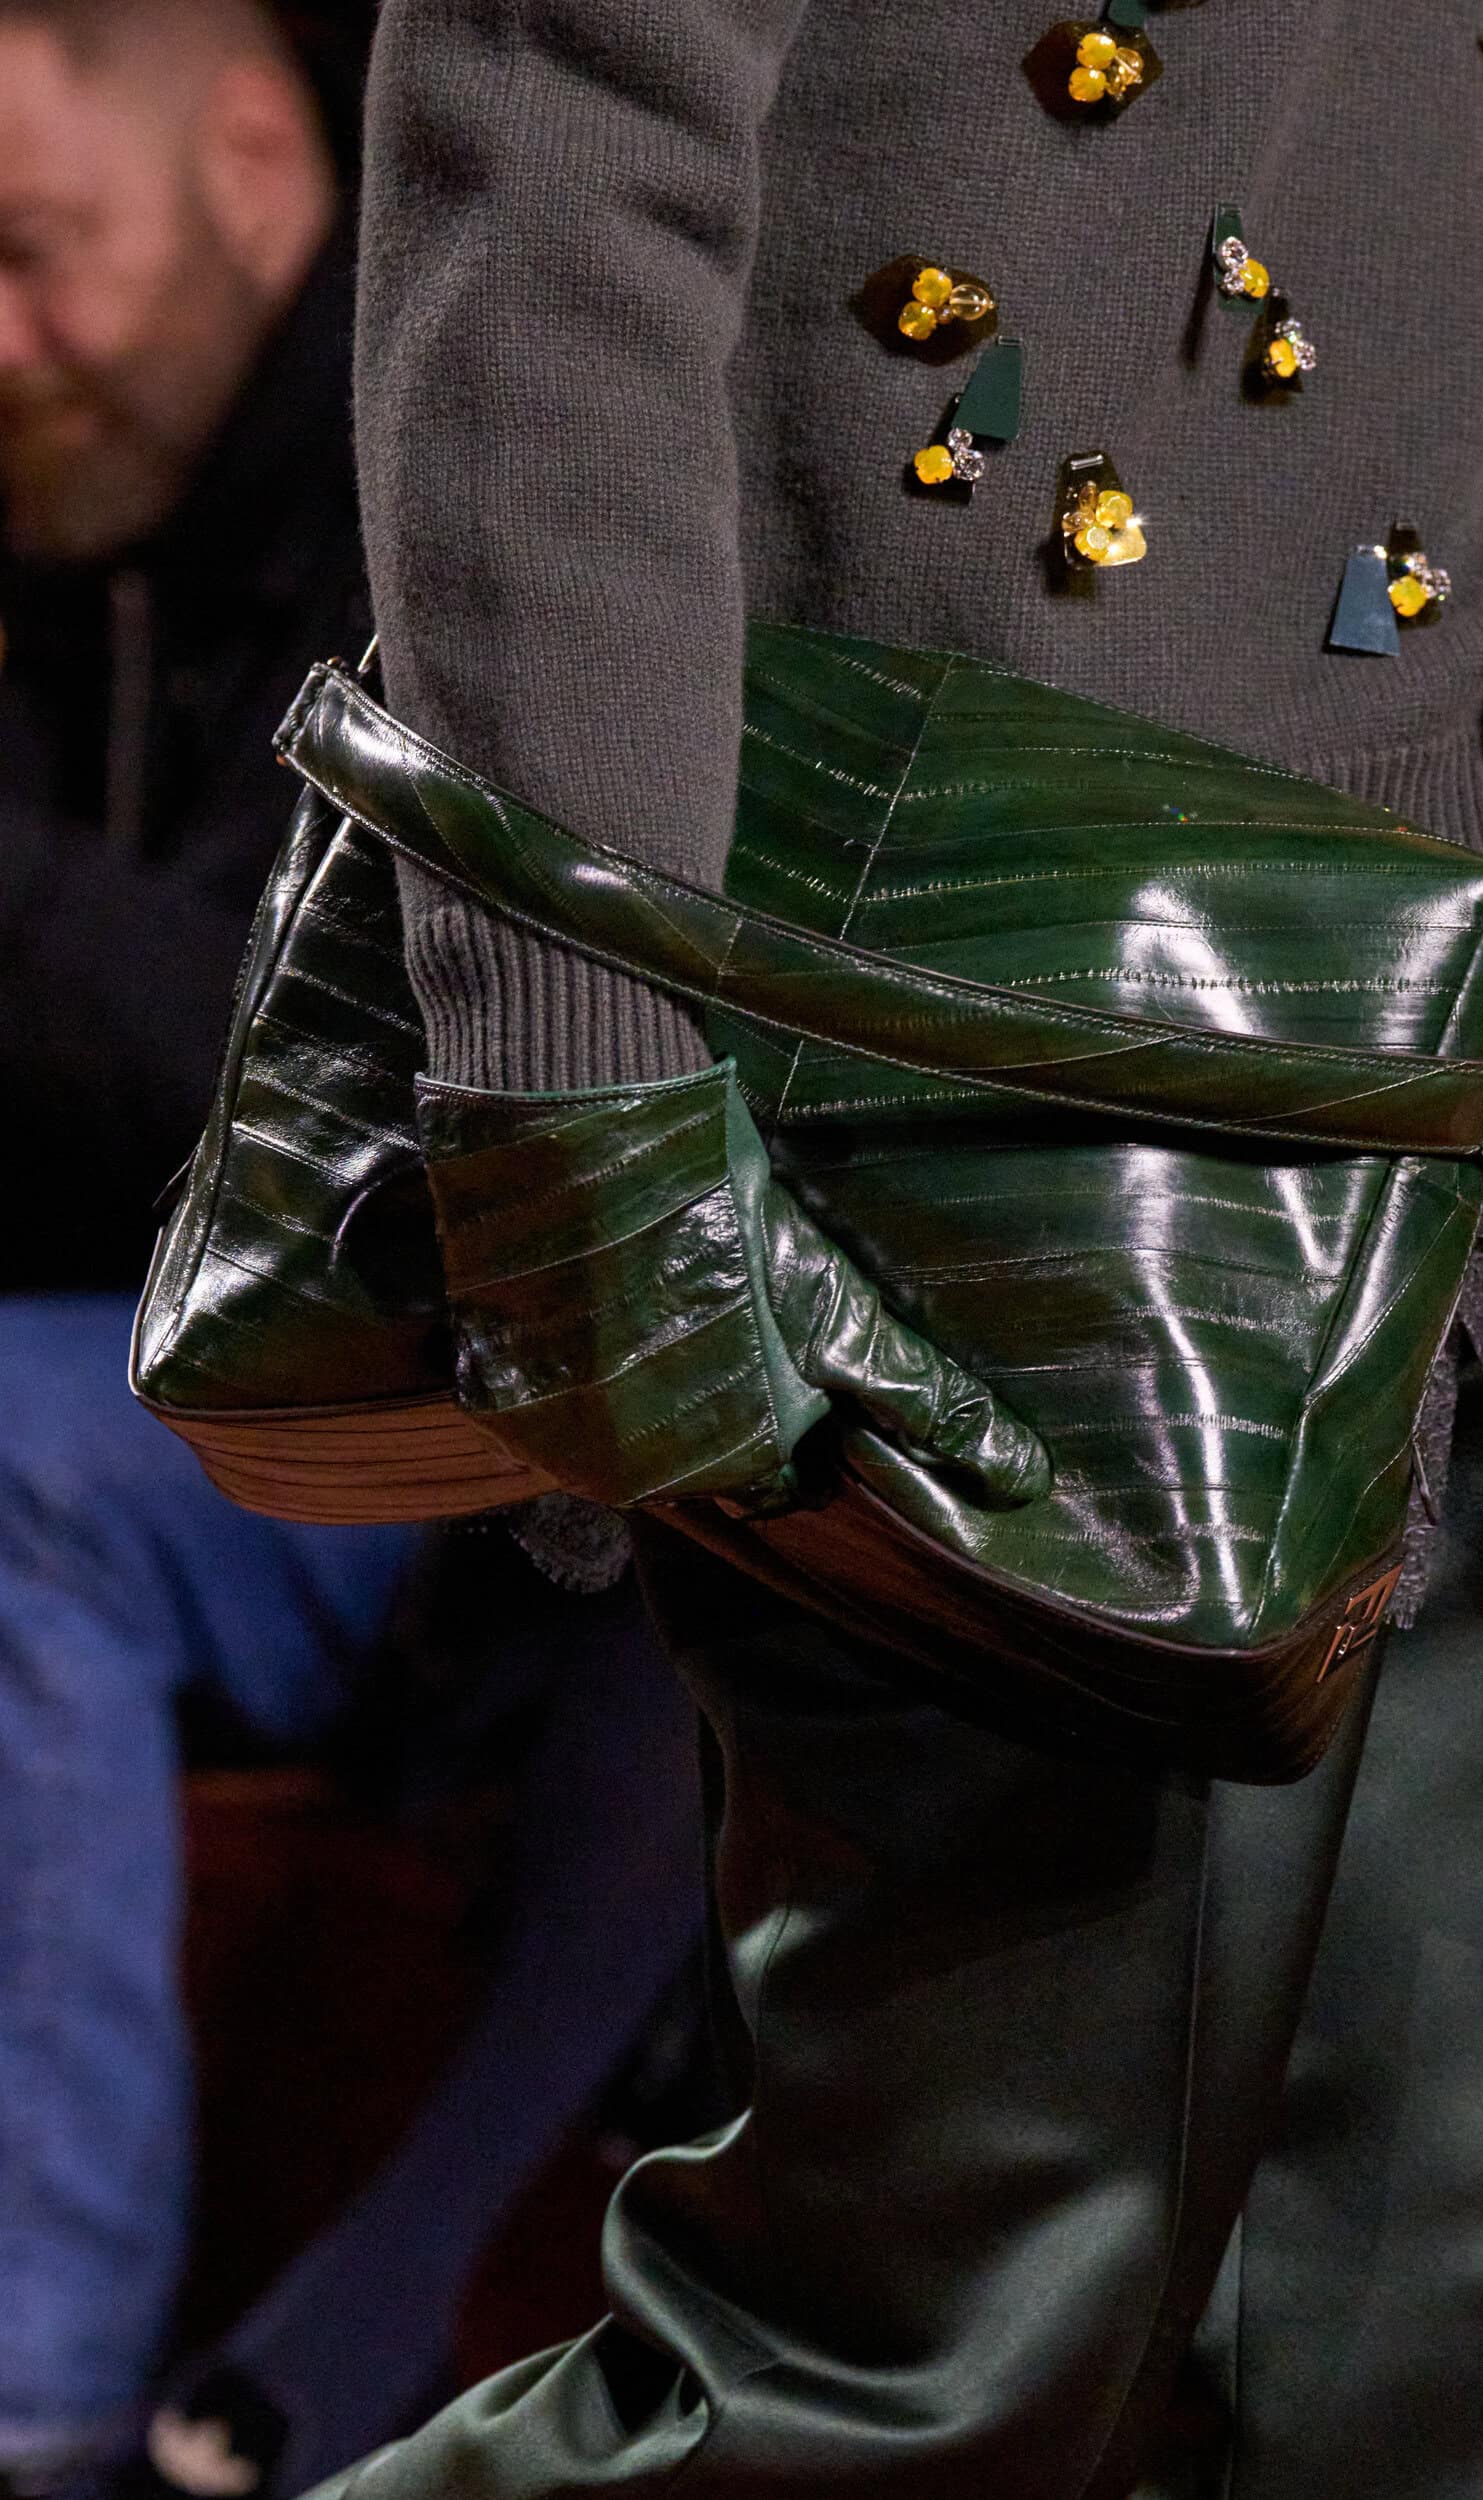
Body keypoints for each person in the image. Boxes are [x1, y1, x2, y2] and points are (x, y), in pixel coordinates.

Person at [295, 3, 1483, 2495]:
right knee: (921, 2367)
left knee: (1437, 2360)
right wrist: (586, 1082)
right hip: (986, 983)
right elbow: (556, 129)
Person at [0, 10, 703, 2493]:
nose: (0, 341)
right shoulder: (85, 494)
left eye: (34, 251)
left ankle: (36, 2391)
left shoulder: (463, 481)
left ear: (254, 157)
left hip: (474, 1384)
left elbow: (304, 1093)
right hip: (213, 1353)